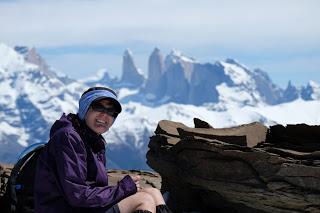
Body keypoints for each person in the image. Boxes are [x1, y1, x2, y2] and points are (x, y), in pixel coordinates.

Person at [34, 86, 172, 213]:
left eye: (111, 111)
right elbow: (77, 195)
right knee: (143, 200)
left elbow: (92, 188)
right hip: (64, 208)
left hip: (79, 206)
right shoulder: (69, 137)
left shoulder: (92, 138)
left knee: (152, 192)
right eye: (98, 107)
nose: (104, 115)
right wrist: (123, 188)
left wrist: (124, 189)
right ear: (84, 108)